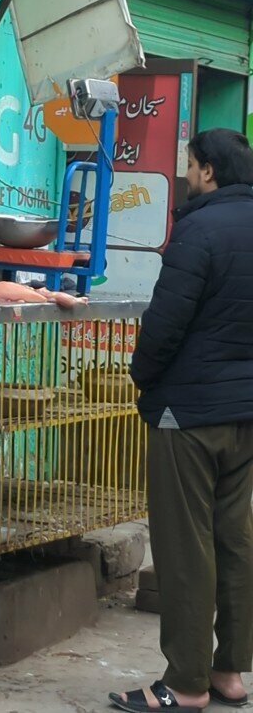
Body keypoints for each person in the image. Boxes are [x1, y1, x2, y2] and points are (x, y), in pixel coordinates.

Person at [110, 128, 253, 713]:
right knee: (236, 540)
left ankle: (186, 683)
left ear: (209, 172)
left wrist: (142, 376)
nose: (186, 176)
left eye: (190, 166)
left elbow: (165, 322)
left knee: (185, 546)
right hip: (245, 413)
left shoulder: (198, 229)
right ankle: (230, 673)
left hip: (187, 413)